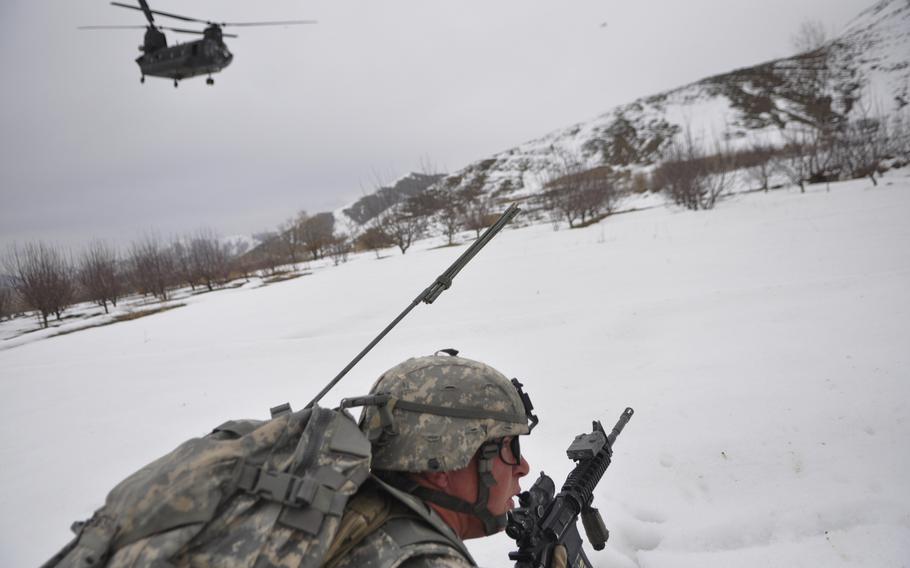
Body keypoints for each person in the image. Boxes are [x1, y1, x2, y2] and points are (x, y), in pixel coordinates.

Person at [326, 351, 539, 568]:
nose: (523, 467)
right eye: (507, 446)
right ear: (441, 464)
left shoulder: (349, 524)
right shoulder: (426, 562)